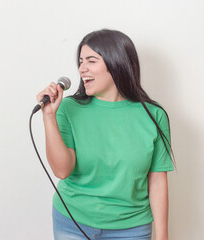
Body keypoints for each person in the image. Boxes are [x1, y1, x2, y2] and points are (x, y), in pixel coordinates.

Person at [36, 29, 175, 240]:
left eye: (91, 61)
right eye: (80, 61)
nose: (82, 69)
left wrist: (162, 236)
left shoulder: (154, 115)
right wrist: (48, 117)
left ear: (117, 63)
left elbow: (157, 180)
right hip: (72, 222)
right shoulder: (68, 109)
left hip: (131, 229)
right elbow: (62, 170)